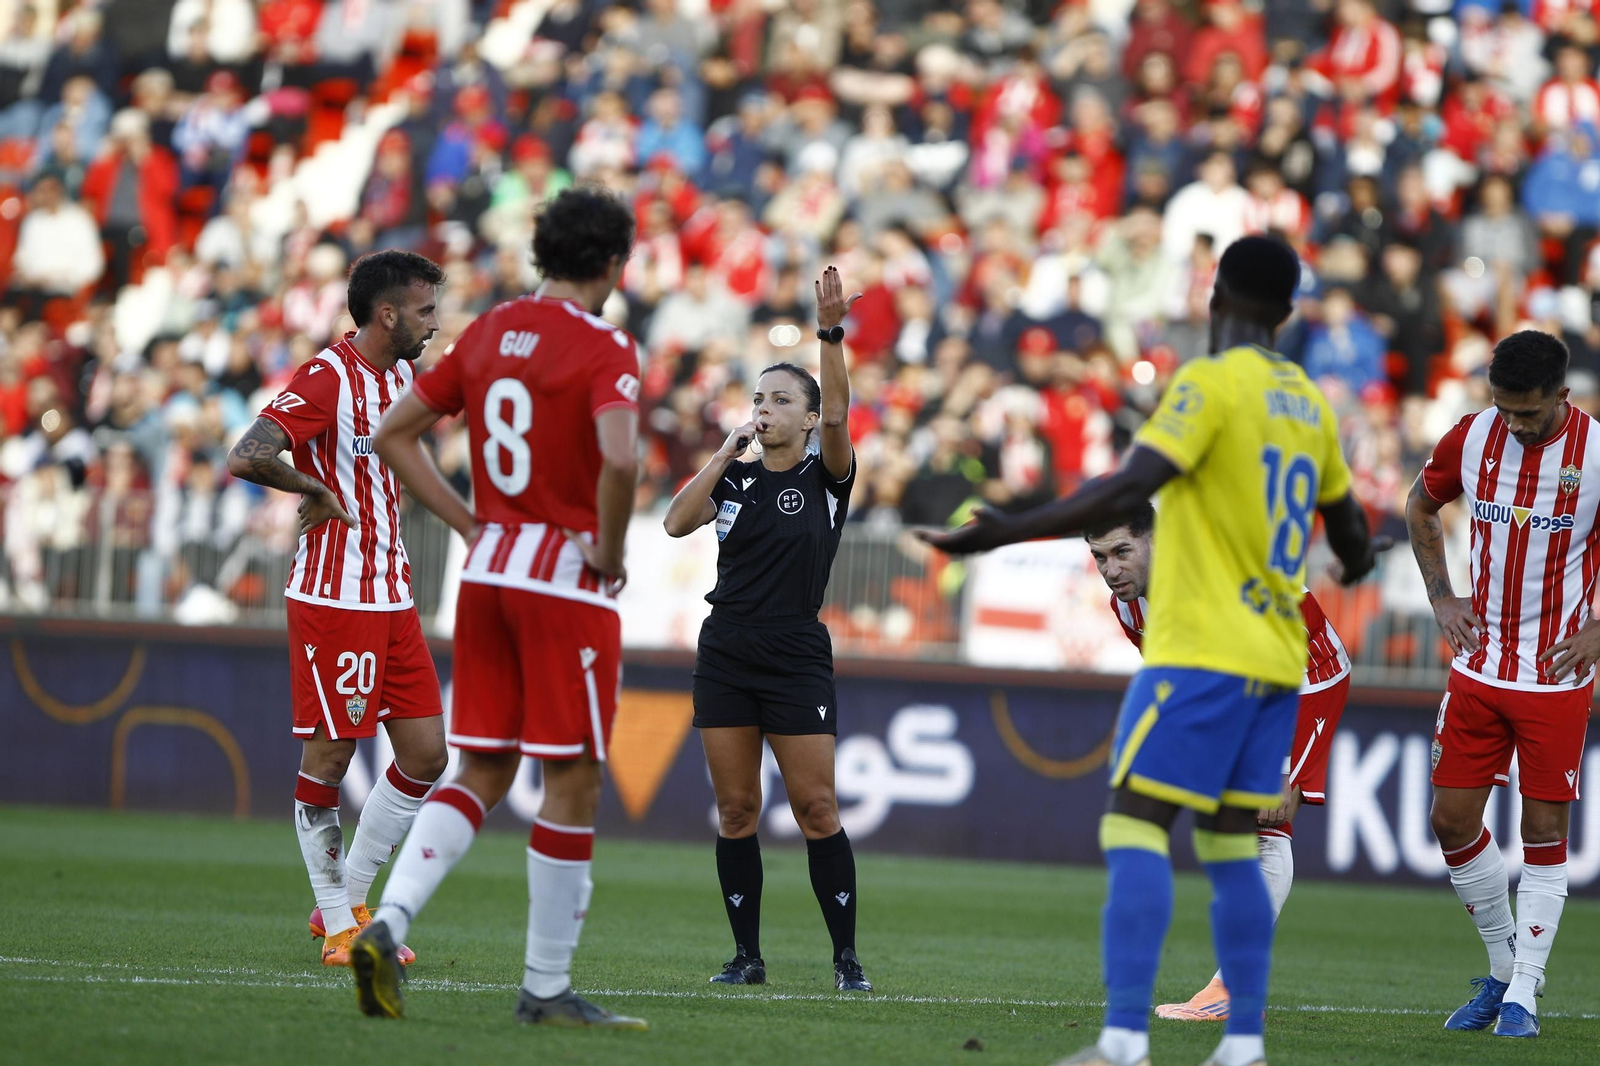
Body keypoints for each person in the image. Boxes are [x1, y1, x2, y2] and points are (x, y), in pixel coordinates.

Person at [920, 235, 1383, 1066]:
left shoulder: (1209, 383)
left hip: (1213, 649)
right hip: (1277, 658)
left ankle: (1124, 1039)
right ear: (1285, 312)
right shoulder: (1306, 401)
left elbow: (1131, 486)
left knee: (1135, 823)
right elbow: (1350, 532)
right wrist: (1350, 560)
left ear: (1218, 303)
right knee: (1235, 841)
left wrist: (1005, 531)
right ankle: (1242, 1046)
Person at [353, 186, 646, 1031]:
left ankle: (389, 920)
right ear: (614, 264)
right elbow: (620, 461)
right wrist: (613, 552)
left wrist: (473, 524)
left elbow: (395, 433)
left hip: (487, 574)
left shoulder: (486, 331)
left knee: (483, 767)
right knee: (575, 776)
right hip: (562, 579)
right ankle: (546, 987)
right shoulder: (606, 346)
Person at [224, 250, 450, 967]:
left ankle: (346, 902)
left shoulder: (403, 376)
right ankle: (338, 921)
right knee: (329, 756)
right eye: (423, 310)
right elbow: (247, 452)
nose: (432, 323)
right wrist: (312, 491)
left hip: (392, 591)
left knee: (426, 755)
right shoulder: (328, 377)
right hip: (334, 595)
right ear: (387, 314)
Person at [661, 266, 871, 993]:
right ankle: (746, 958)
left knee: (817, 808)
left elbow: (843, 416)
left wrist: (830, 335)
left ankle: (846, 960)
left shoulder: (827, 476)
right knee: (736, 808)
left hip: (794, 653)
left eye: (782, 400)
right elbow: (674, 522)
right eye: (759, 399)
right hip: (726, 650)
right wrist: (724, 451)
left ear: (810, 418)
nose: (766, 409)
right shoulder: (734, 476)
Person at [1084, 500, 1353, 1022]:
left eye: (1122, 551)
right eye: (1099, 557)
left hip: (1305, 676)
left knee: (1264, 820)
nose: (1111, 570)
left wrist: (1278, 765)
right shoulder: (1129, 606)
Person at [1405, 329, 1599, 1040]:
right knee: (1450, 822)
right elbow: (1419, 508)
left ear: (1562, 397)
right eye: (1504, 410)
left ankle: (1525, 994)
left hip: (1554, 679)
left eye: (1529, 413)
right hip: (1479, 669)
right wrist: (1441, 599)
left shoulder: (1597, 455)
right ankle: (1504, 967)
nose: (1514, 424)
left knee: (1543, 833)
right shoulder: (1472, 436)